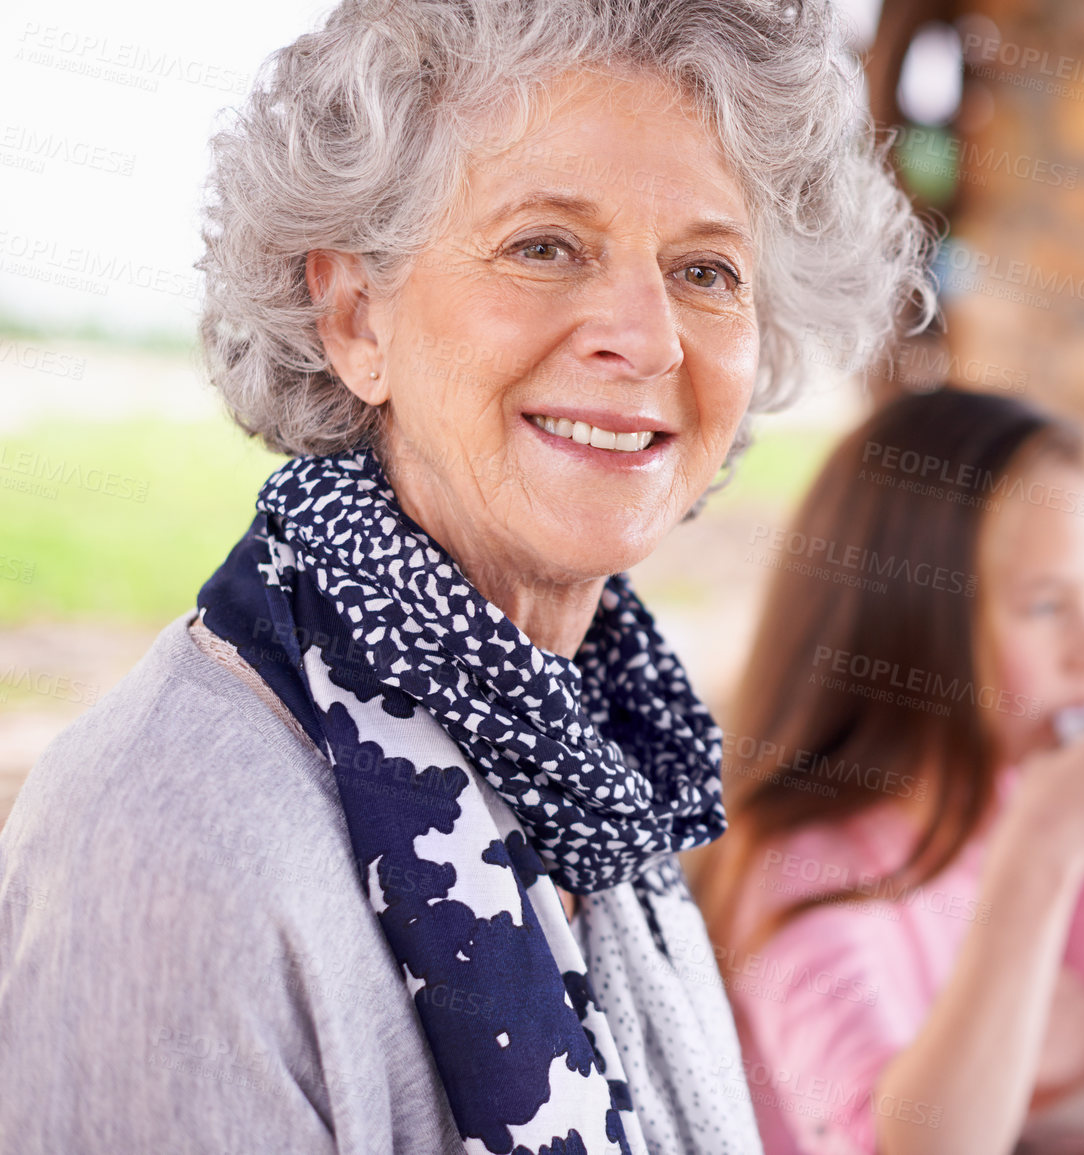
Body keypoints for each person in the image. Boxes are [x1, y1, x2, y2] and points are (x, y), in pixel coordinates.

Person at [0, 1, 930, 1151]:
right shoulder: (169, 837)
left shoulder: (606, 754)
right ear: (353, 317)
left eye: (705, 269)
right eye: (545, 246)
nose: (646, 339)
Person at [694, 388, 1084, 1155]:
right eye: (1047, 605)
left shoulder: (986, 806)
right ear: (907, 629)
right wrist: (1039, 855)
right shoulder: (798, 876)